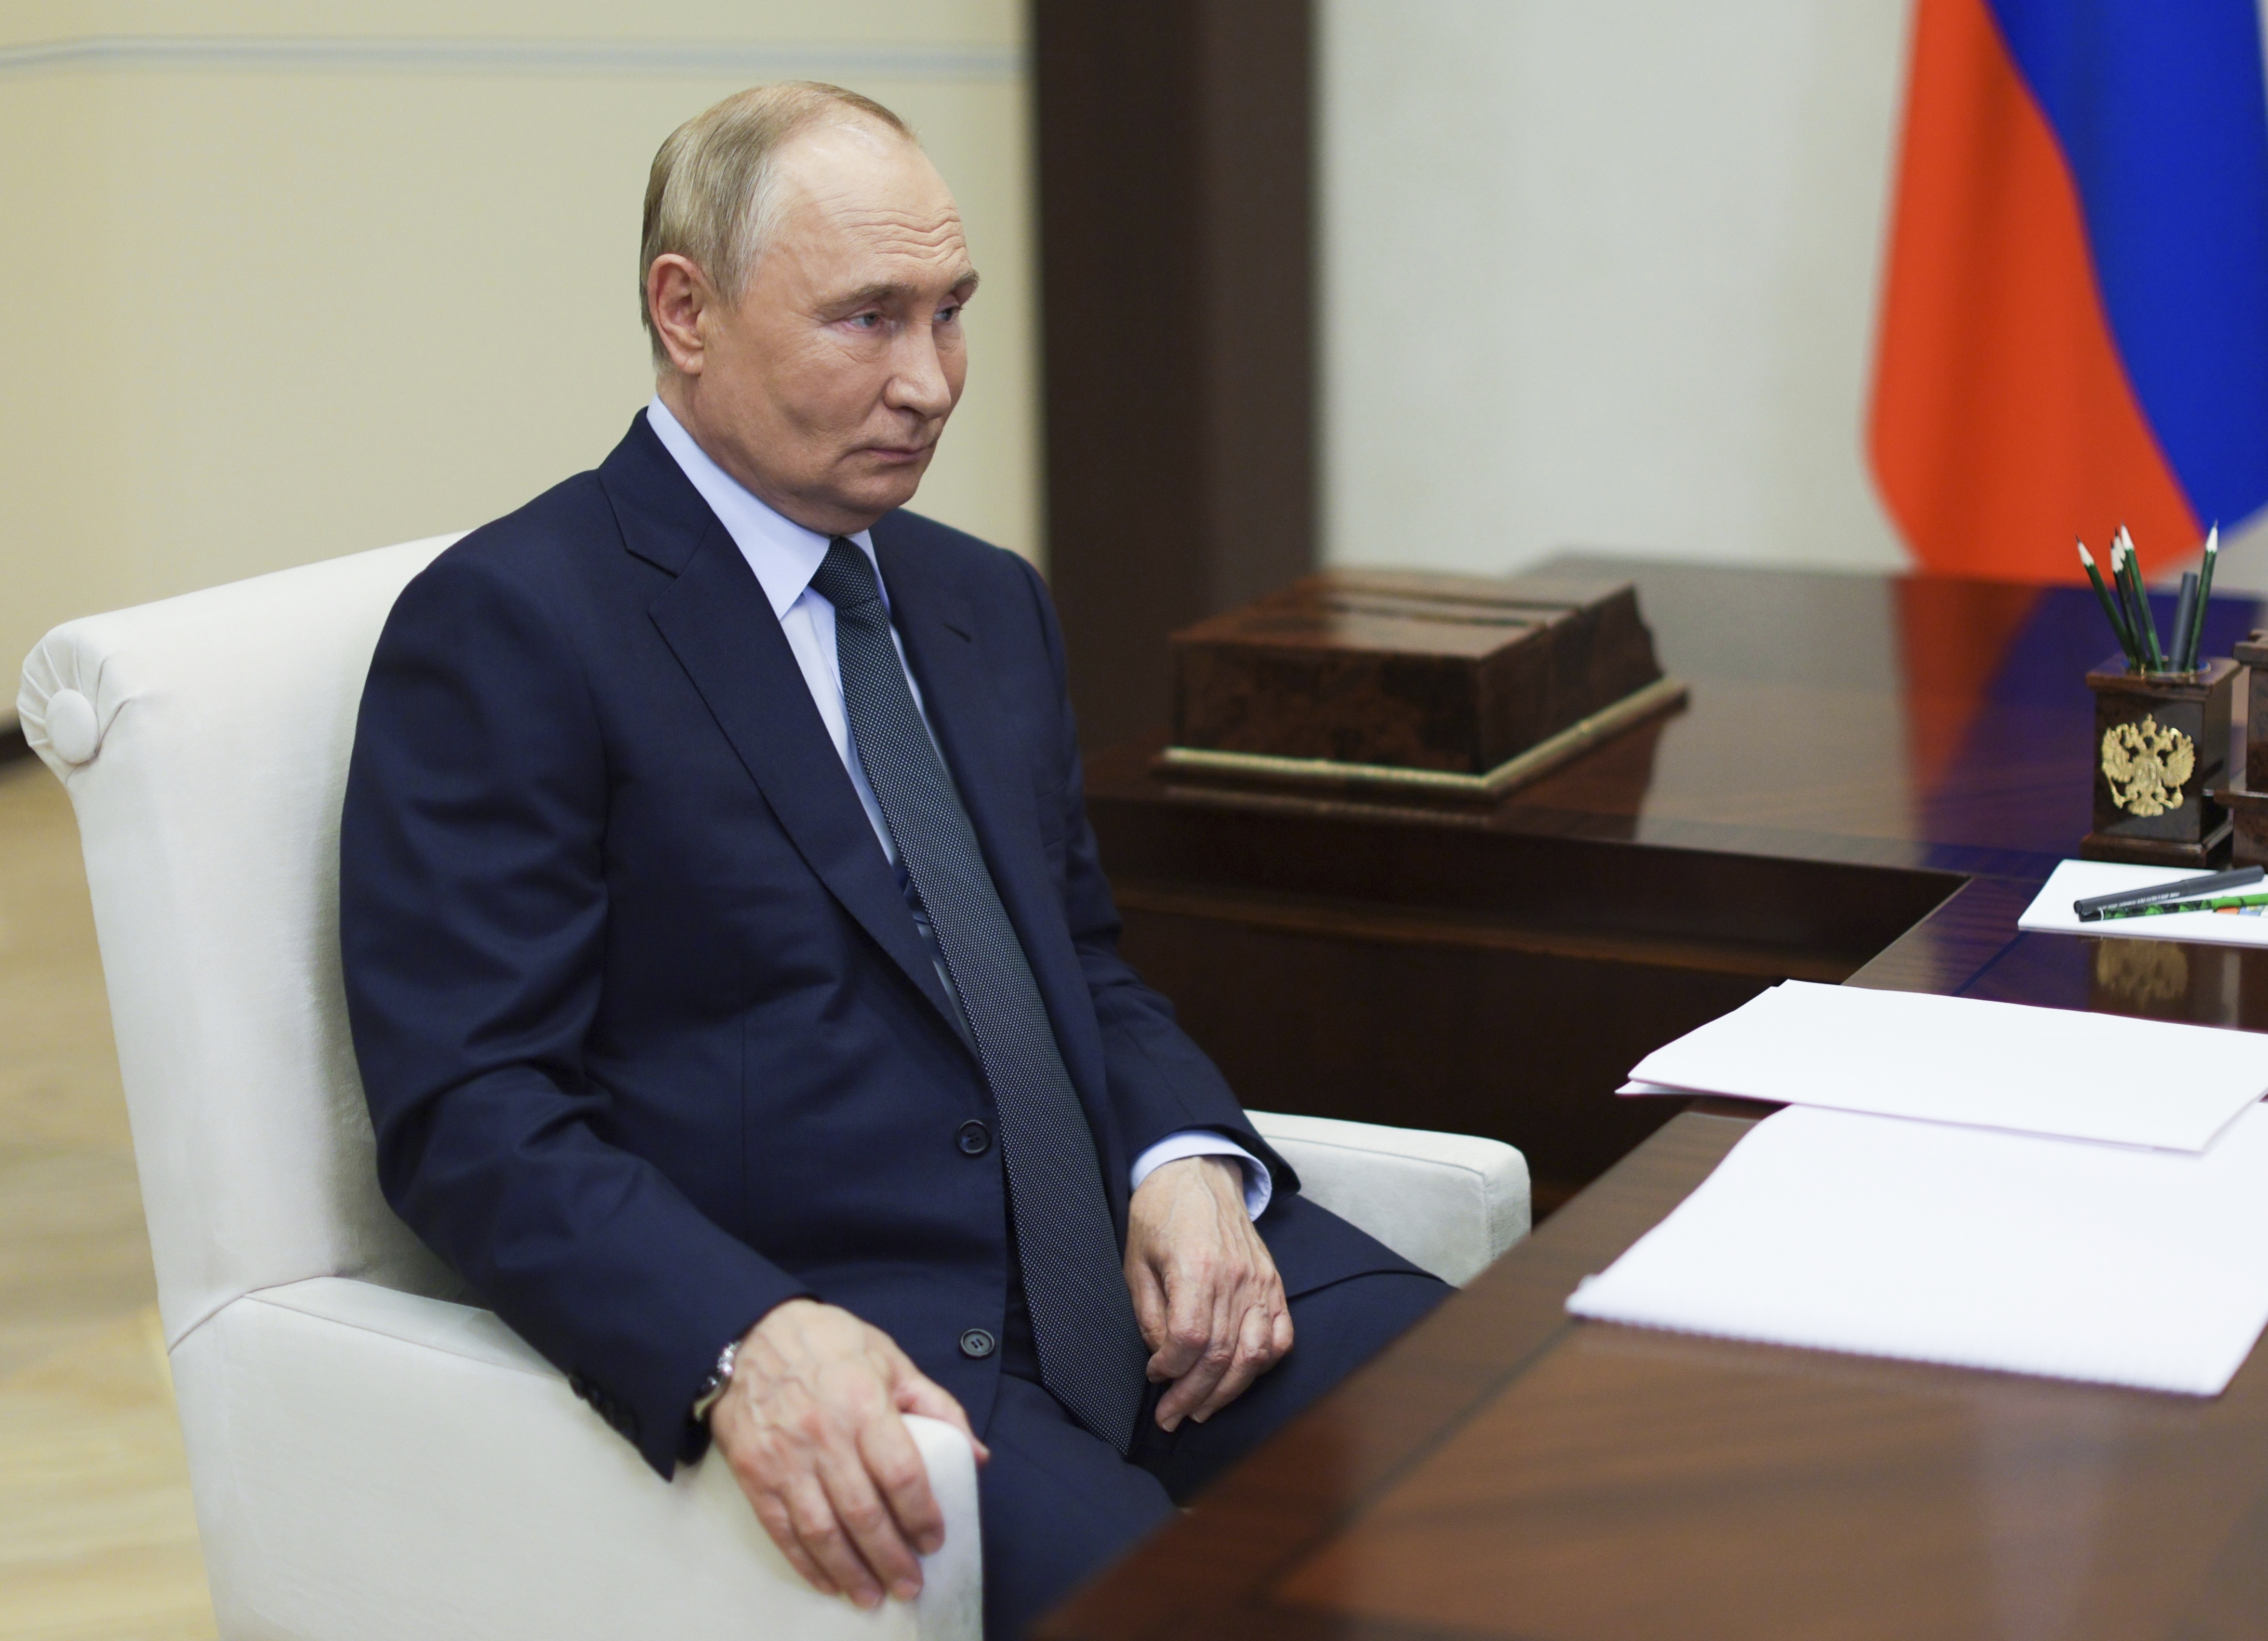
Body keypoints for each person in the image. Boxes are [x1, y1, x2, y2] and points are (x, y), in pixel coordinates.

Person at [339, 82, 1448, 1639]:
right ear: (686, 310)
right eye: (867, 320)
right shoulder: (517, 624)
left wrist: (1180, 1158)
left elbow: (1082, 962)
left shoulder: (981, 598)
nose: (929, 382)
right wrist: (740, 1337)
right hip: (872, 1328)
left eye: (951, 313)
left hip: (1132, 1288)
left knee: (1513, 1448)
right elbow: (474, 1112)